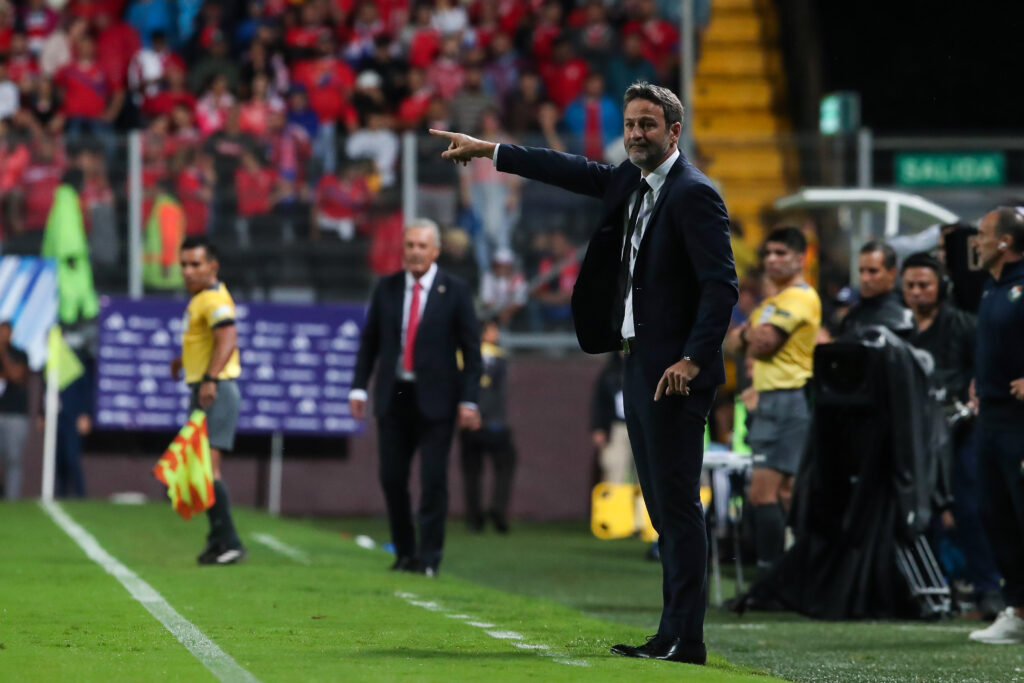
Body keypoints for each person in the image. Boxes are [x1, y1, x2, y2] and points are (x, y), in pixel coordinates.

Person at [431, 80, 737, 665]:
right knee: (661, 505)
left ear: (675, 132)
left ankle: (687, 638)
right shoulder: (630, 179)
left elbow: (722, 286)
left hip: (676, 371)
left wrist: (694, 358)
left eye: (648, 125)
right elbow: (569, 168)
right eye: (630, 124)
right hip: (637, 362)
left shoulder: (695, 194)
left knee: (676, 505)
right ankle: (672, 633)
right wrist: (490, 150)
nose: (635, 134)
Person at [350, 219, 483, 577]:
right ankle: (405, 552)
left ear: (436, 250)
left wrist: (470, 401)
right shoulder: (387, 288)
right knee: (392, 478)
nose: (415, 252)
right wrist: (359, 386)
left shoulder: (454, 290)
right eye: (410, 245)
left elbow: (472, 352)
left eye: (423, 246)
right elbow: (370, 343)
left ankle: (429, 557)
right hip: (394, 397)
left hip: (438, 400)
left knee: (433, 480)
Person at [902, 251, 1003, 619]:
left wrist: (976, 392)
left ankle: (988, 588)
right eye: (910, 285)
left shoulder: (965, 325)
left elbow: (988, 364)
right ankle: (931, 589)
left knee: (970, 509)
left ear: (942, 286)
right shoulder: (899, 332)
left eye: (924, 284)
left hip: (962, 431)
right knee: (918, 514)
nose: (917, 292)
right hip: (915, 437)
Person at [724, 227, 820, 584]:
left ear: (799, 258)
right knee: (782, 493)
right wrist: (749, 336)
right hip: (774, 401)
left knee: (764, 492)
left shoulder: (799, 298)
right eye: (768, 254)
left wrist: (748, 335)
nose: (772, 260)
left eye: (781, 253)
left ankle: (770, 577)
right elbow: (732, 343)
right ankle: (791, 575)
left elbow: (759, 342)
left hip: (786, 398)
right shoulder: (772, 303)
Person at [170, 236, 246, 566]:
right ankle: (217, 539)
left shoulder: (214, 299)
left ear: (212, 266)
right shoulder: (202, 298)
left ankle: (229, 541)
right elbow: (205, 342)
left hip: (217, 388)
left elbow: (227, 336)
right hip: (207, 385)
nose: (188, 271)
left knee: (209, 470)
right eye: (184, 265)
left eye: (195, 264)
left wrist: (211, 378)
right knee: (199, 469)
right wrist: (181, 361)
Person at [968, 208, 1024, 644]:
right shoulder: (992, 287)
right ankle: (1018, 610)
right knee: (996, 515)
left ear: (1005, 242)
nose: (976, 242)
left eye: (983, 235)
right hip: (991, 416)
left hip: (1019, 422)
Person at [459, 319, 516, 533]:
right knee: (505, 465)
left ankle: (474, 517)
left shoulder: (462, 355)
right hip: (494, 423)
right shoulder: (498, 357)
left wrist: (469, 412)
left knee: (472, 471)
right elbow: (497, 391)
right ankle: (498, 507)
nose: (497, 333)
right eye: (493, 330)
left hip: (468, 421)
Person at [838, 241, 913, 336]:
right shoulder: (854, 314)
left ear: (892, 272)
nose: (864, 278)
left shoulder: (904, 316)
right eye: (861, 271)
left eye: (872, 271)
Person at [0, 321, 30, 500]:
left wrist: (3, 353)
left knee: (13, 459)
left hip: (15, 415)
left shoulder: (19, 354)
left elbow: (16, 375)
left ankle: (12, 500)